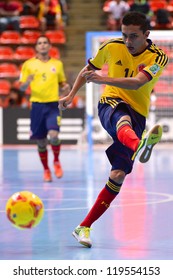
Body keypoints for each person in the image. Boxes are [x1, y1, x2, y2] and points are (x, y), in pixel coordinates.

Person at [59, 11, 169, 248]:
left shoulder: (159, 57)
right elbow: (88, 70)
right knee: (122, 119)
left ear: (146, 35)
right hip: (110, 103)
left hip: (138, 113)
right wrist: (70, 95)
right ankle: (138, 145)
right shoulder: (111, 46)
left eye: (134, 37)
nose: (128, 42)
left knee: (117, 176)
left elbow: (139, 82)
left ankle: (83, 226)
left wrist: (103, 79)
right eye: (124, 36)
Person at [19, 35, 70, 182]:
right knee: (41, 141)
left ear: (49, 46)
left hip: (53, 105)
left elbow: (62, 83)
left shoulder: (57, 64)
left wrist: (65, 87)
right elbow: (22, 87)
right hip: (36, 106)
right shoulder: (28, 65)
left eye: (45, 43)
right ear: (36, 47)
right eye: (39, 43)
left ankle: (56, 161)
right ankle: (46, 169)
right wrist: (27, 81)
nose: (42, 45)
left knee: (53, 135)